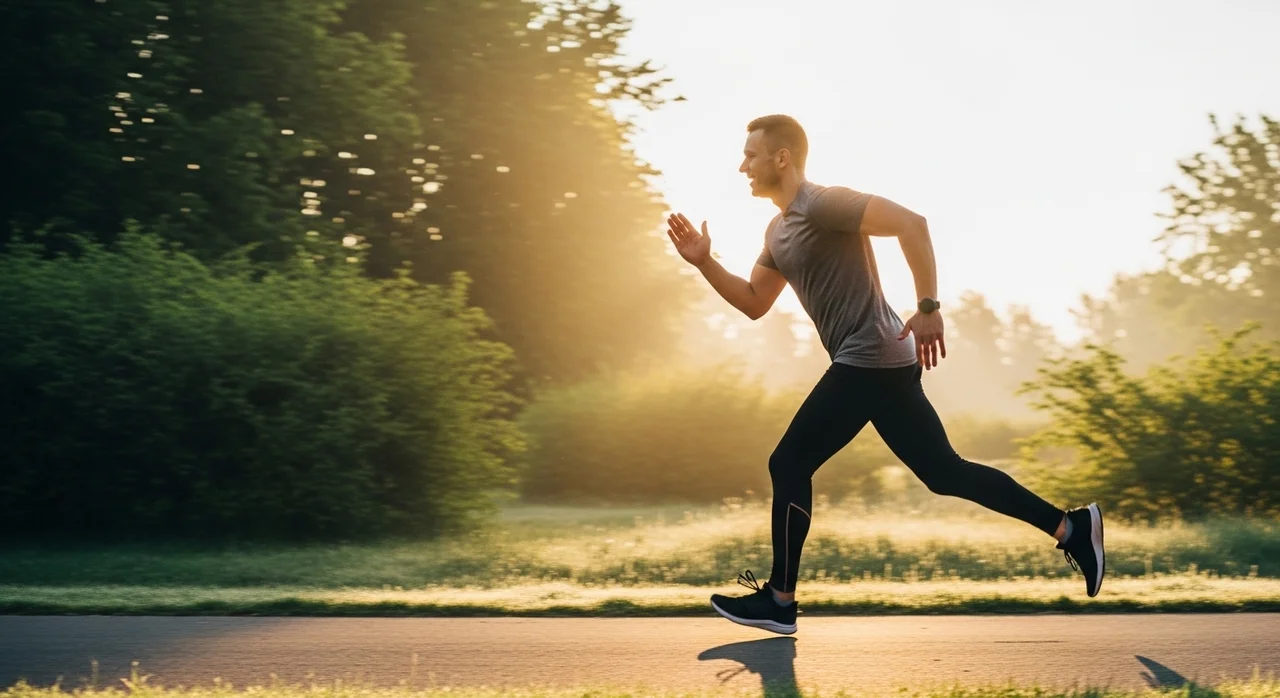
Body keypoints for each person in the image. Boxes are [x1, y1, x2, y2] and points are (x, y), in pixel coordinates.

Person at [665, 114, 1105, 636]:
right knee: (944, 473)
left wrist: (928, 306)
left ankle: (780, 601)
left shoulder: (823, 203)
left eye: (751, 156)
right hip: (883, 360)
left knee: (789, 462)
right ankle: (1072, 527)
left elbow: (912, 224)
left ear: (781, 158)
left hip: (868, 355)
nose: (743, 167)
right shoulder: (778, 231)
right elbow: (755, 301)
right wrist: (704, 263)